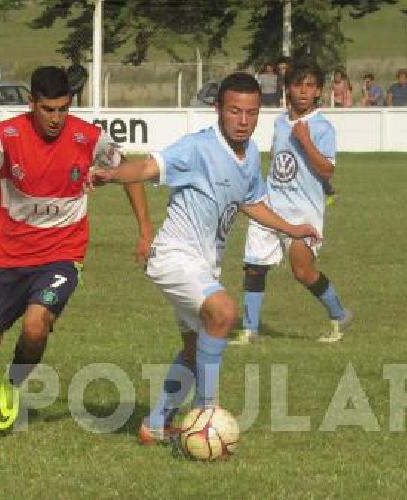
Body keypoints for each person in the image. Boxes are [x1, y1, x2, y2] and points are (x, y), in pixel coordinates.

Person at [0, 66, 152, 437]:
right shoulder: (5, 136)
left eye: (63, 108)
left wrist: (144, 229)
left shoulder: (88, 137)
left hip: (62, 253)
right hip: (9, 259)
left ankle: (12, 387)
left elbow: (128, 171)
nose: (57, 118)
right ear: (32, 103)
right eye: (48, 109)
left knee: (35, 324)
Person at [90, 73, 321, 445]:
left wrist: (292, 229)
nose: (243, 121)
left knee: (196, 348)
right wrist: (112, 175)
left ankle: (155, 425)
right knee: (224, 313)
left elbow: (253, 202)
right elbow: (149, 167)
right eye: (234, 111)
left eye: (251, 113)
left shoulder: (248, 158)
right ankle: (206, 413)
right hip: (174, 258)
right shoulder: (198, 148)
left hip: (203, 264)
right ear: (218, 110)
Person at [232, 60, 353, 346]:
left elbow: (327, 169)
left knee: (301, 270)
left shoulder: (322, 128)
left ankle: (339, 313)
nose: (302, 91)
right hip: (270, 205)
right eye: (297, 85)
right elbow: (279, 161)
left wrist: (306, 141)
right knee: (254, 267)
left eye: (309, 86)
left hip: (303, 212)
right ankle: (249, 330)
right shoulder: (279, 123)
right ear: (287, 89)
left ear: (318, 92)